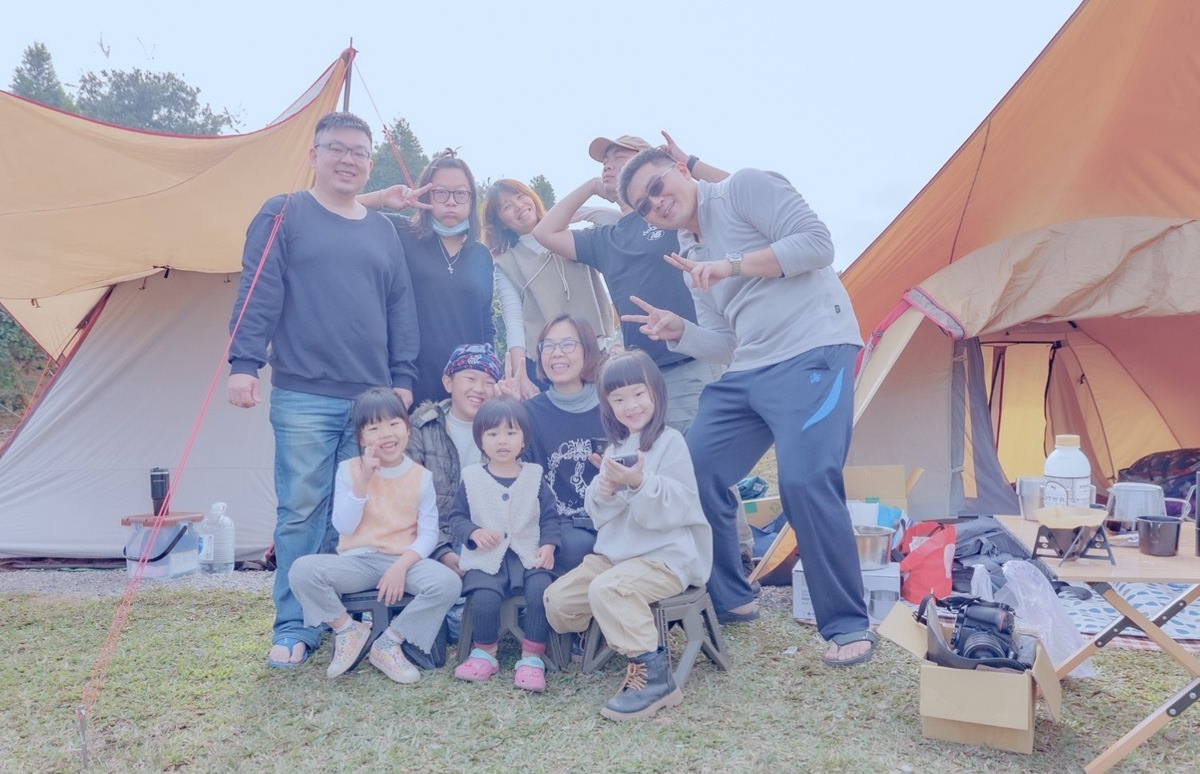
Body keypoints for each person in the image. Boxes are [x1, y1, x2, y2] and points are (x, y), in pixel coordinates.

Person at [617, 148, 874, 666]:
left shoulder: (743, 188)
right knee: (690, 468)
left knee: (803, 480)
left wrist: (729, 264)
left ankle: (847, 625)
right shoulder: (691, 255)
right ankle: (732, 596)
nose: (657, 203)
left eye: (659, 186)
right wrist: (680, 330)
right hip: (750, 367)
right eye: (643, 205)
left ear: (682, 170)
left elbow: (818, 245)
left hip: (813, 349)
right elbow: (725, 342)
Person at [226, 111, 419, 669]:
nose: (348, 159)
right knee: (301, 513)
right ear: (314, 155)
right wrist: (244, 362)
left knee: (360, 516)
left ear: (368, 163)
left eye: (359, 152)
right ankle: (294, 626)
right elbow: (258, 291)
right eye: (337, 148)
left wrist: (402, 379)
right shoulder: (283, 212)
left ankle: (348, 621)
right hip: (304, 393)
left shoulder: (383, 230)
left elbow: (399, 308)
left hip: (372, 402)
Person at [544, 349, 712, 720]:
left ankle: (653, 674)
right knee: (558, 600)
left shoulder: (670, 442)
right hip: (616, 555)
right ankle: (600, 635)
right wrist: (605, 488)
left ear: (656, 392)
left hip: (666, 556)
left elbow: (676, 508)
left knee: (608, 589)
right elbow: (600, 515)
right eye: (618, 399)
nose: (630, 405)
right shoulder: (617, 447)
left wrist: (637, 483)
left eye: (638, 394)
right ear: (607, 405)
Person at [531, 132, 726, 433]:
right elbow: (545, 232)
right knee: (659, 471)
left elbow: (732, 193)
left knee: (700, 468)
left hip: (690, 364)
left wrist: (688, 163)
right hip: (640, 379)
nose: (607, 167)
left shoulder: (670, 214)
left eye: (618, 158)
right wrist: (592, 187)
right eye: (604, 163)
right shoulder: (606, 239)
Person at [288, 388, 462, 681]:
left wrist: (401, 566)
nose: (386, 434)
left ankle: (389, 642)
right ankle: (348, 630)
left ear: (407, 429)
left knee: (447, 583)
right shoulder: (348, 470)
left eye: (394, 424)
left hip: (404, 562)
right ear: (361, 438)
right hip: (358, 561)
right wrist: (363, 480)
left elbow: (428, 533)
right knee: (301, 570)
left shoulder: (421, 477)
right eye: (374, 427)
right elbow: (343, 526)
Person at [359, 150, 519, 406]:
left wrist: (490, 375)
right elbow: (341, 208)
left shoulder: (480, 255)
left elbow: (485, 323)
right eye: (441, 192)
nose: (451, 201)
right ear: (425, 194)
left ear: (471, 199)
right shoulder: (401, 233)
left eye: (460, 194)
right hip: (408, 381)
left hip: (466, 387)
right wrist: (384, 198)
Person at [445, 397, 561, 692]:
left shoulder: (534, 476)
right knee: (484, 596)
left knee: (540, 591)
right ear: (480, 441)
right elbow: (456, 517)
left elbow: (550, 517)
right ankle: (485, 652)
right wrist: (472, 532)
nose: (502, 441)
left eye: (511, 433)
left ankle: (532, 657)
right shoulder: (471, 478)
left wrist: (548, 546)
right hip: (486, 557)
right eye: (492, 434)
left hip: (528, 554)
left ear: (524, 439)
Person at [406, 343, 504, 643]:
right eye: (471, 378)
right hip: (434, 540)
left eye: (489, 381)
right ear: (448, 382)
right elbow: (407, 504)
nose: (480, 389)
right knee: (458, 622)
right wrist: (442, 551)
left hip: (489, 539)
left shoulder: (506, 428)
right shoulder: (422, 428)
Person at [482, 179, 615, 389]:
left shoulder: (573, 239)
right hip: (548, 368)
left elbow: (617, 221)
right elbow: (514, 322)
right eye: (507, 207)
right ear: (500, 222)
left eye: (520, 196)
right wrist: (521, 375)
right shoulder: (506, 264)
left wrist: (573, 213)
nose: (518, 206)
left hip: (594, 357)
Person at [520, 315, 607, 575]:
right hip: (560, 524)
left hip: (612, 514)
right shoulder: (529, 413)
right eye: (548, 346)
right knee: (575, 546)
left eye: (568, 345)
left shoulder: (611, 405)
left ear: (588, 350)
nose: (556, 354)